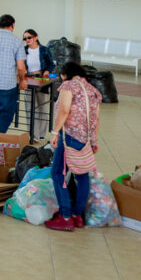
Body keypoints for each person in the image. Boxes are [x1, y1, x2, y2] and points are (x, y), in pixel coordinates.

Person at [45, 61, 102, 232]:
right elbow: (96, 119)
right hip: (85, 139)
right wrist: (94, 141)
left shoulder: (68, 85)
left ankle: (65, 216)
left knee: (58, 173)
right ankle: (77, 216)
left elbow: (64, 110)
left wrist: (55, 132)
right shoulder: (93, 90)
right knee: (82, 175)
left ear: (65, 74)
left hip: (68, 137)